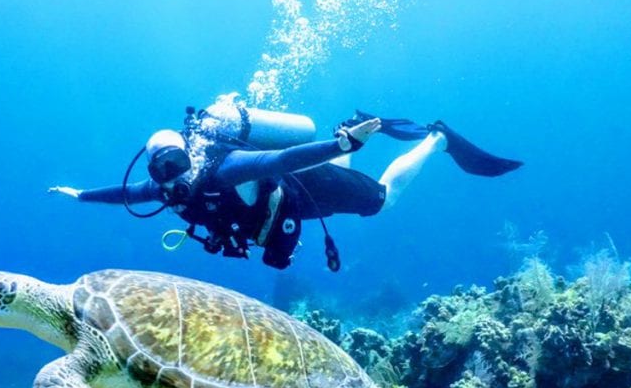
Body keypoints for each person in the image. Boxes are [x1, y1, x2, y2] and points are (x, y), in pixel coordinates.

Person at [49, 96, 522, 271]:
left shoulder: (225, 168)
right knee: (362, 190)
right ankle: (356, 129)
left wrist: (338, 146)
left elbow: (283, 157)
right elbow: (124, 194)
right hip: (281, 211)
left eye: (175, 163)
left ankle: (435, 141)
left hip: (302, 183)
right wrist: (81, 196)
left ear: (189, 155)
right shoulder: (166, 191)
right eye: (161, 170)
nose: (171, 177)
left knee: (382, 200)